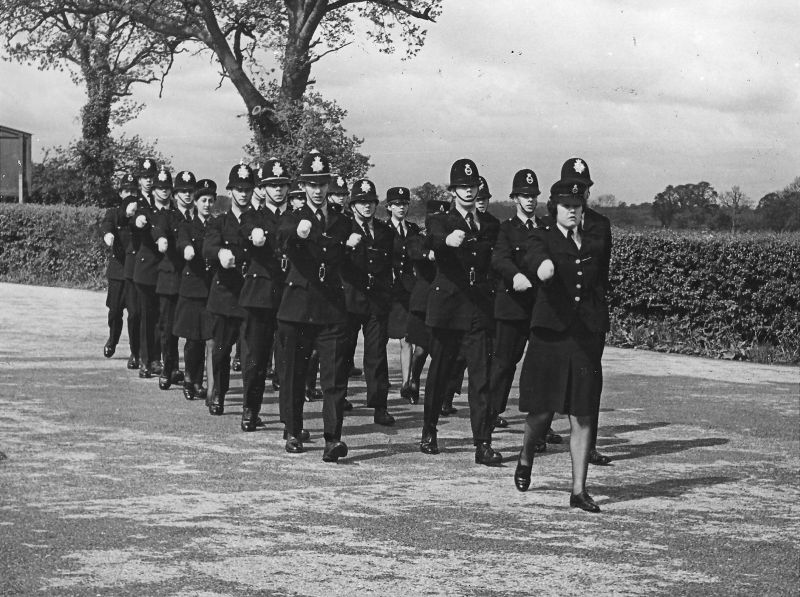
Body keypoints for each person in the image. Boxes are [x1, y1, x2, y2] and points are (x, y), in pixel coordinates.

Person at [514, 178, 609, 513]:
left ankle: (578, 490)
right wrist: (543, 266)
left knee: (582, 413)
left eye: (578, 206)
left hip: (583, 336)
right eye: (567, 206)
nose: (572, 211)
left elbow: (599, 283)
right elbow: (534, 255)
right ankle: (526, 455)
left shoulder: (594, 239)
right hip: (550, 335)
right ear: (554, 207)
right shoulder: (542, 235)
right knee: (541, 411)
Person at [420, 158, 502, 466]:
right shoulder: (441, 220)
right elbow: (430, 239)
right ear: (453, 190)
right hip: (448, 309)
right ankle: (429, 429)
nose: (468, 191)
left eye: (473, 186)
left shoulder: (490, 224)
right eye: (462, 187)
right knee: (440, 372)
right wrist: (446, 241)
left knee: (480, 377)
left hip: (479, 308)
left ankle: (483, 443)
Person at [275, 150, 351, 461]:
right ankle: (293, 430)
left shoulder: (340, 221)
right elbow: (281, 235)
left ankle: (333, 439)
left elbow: (350, 247)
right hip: (297, 309)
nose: (317, 190)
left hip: (331, 308)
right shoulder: (292, 217)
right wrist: (298, 231)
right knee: (294, 374)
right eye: (311, 183)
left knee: (333, 378)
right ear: (303, 186)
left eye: (322, 183)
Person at [487, 168, 563, 445]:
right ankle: (490, 415)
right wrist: (514, 275)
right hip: (513, 305)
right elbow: (499, 259)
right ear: (514, 199)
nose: (529, 200)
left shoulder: (547, 228)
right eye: (524, 196)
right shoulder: (506, 229)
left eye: (533, 196)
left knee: (543, 367)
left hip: (542, 307)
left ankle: (542, 424)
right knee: (504, 364)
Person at [560, 157, 613, 467]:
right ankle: (541, 434)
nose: (579, 194)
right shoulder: (548, 224)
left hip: (591, 315)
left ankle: (588, 444)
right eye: (573, 189)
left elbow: (601, 273)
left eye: (584, 189)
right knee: (557, 377)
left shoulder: (600, 225)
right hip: (559, 314)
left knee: (591, 379)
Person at [237, 158, 290, 431]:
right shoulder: (252, 216)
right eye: (272, 185)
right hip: (259, 296)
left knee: (287, 361)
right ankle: (250, 409)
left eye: (282, 185)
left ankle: (289, 418)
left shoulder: (295, 215)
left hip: (289, 297)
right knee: (255, 359)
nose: (278, 190)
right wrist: (257, 234)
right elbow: (248, 231)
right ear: (263, 188)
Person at [341, 179, 396, 426]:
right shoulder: (343, 229)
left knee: (376, 355)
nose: (366, 207)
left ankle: (379, 405)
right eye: (361, 202)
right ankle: (339, 397)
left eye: (370, 202)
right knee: (343, 352)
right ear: (353, 205)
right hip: (351, 300)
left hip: (377, 301)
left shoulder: (385, 231)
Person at [203, 163, 253, 416]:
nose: (243, 194)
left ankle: (249, 407)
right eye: (238, 189)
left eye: (247, 189)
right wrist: (221, 251)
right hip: (225, 296)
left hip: (251, 299)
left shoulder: (259, 221)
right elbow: (208, 247)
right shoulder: (220, 222)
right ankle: (219, 397)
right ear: (230, 191)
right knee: (221, 353)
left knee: (250, 358)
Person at [174, 178, 216, 400]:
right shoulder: (187, 226)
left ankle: (201, 382)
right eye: (203, 200)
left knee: (208, 337)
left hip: (211, 288)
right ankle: (190, 380)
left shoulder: (218, 225)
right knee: (193, 340)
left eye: (210, 200)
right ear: (196, 203)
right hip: (192, 288)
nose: (207, 204)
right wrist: (188, 248)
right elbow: (182, 242)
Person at [402, 198, 448, 404]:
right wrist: (429, 253)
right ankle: (414, 380)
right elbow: (414, 252)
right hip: (422, 302)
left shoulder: (448, 239)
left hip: (444, 302)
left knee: (444, 353)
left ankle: (443, 396)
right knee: (420, 350)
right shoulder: (417, 237)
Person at [153, 170, 193, 390]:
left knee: (192, 331)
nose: (187, 196)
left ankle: (190, 374)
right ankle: (168, 369)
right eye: (183, 192)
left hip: (193, 282)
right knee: (168, 329)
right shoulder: (168, 216)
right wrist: (161, 240)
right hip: (171, 280)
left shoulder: (199, 216)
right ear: (175, 194)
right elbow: (159, 229)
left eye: (190, 191)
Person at [131, 162, 169, 379]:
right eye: (159, 187)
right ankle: (146, 360)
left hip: (166, 272)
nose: (163, 191)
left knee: (163, 317)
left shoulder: (173, 211)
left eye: (166, 188)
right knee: (147, 317)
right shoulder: (145, 211)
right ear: (152, 190)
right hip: (147, 271)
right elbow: (137, 225)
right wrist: (139, 221)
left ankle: (157, 359)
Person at [385, 187, 421, 398]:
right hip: (388, 291)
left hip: (408, 290)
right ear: (388, 206)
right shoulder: (382, 229)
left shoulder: (414, 230)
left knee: (407, 339)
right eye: (397, 204)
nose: (401, 207)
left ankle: (407, 384)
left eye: (404, 204)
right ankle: (382, 380)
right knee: (381, 338)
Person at [100, 172, 138, 361]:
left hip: (134, 272)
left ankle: (135, 351)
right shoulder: (114, 213)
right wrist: (108, 235)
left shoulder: (140, 215)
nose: (129, 193)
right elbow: (107, 225)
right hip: (117, 270)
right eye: (126, 190)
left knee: (134, 314)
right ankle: (112, 340)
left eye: (133, 190)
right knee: (115, 311)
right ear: (120, 193)